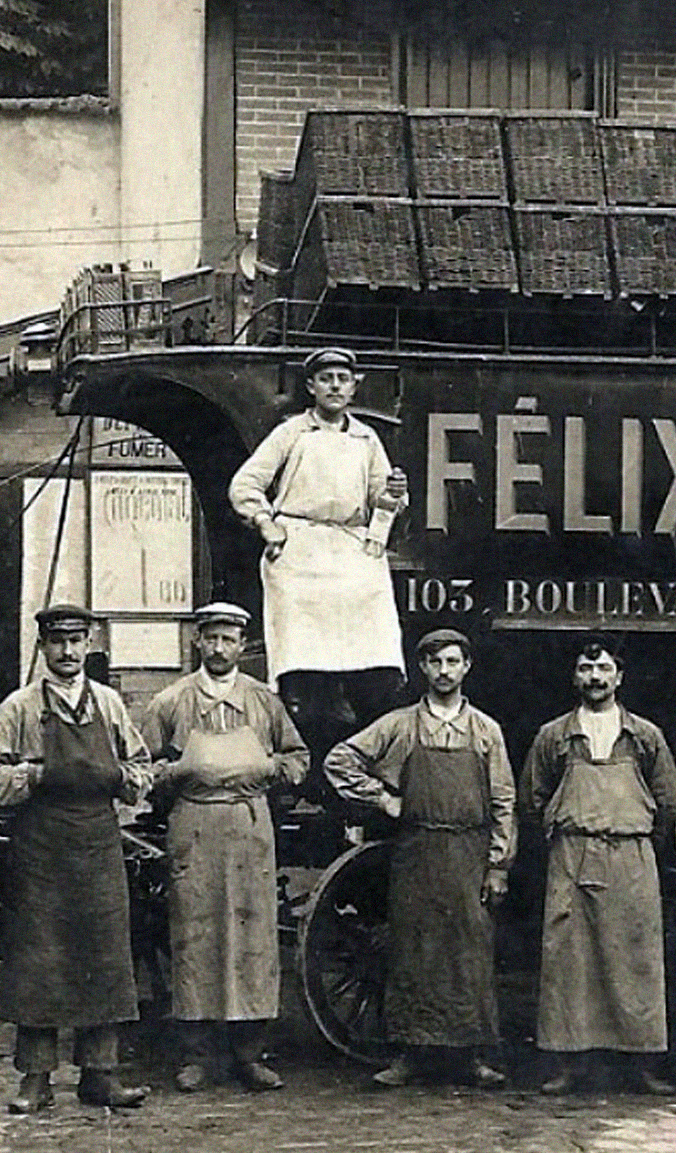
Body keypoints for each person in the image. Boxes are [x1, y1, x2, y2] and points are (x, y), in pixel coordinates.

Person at [0, 603, 152, 1114]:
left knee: (105, 957)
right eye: (58, 642)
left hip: (98, 844)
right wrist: (34, 775)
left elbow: (143, 767)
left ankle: (101, 1075)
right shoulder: (20, 708)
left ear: (89, 645)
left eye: (76, 641)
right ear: (43, 647)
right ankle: (36, 1080)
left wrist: (121, 779)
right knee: (39, 961)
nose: (68, 651)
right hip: (41, 850)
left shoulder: (110, 705)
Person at [324, 628, 516, 1089]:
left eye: (452, 662)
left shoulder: (486, 730)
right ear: (423, 668)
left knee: (469, 952)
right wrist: (383, 798)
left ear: (466, 667)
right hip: (417, 851)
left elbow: (504, 800)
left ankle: (471, 1056)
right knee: (413, 949)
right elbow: (339, 761)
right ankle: (409, 1054)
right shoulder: (401, 725)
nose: (444, 671)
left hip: (469, 854)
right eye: (435, 662)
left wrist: (498, 865)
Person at [140, 602, 310, 1094]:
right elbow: (141, 767)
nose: (218, 648)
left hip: (248, 827)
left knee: (252, 938)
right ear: (197, 641)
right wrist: (179, 771)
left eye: (228, 639)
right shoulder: (170, 702)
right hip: (194, 827)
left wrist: (271, 769)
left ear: (241, 645)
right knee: (194, 936)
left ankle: (250, 1054)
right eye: (211, 638)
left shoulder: (264, 702)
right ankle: (196, 1055)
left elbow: (298, 758)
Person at [227, 346, 409, 763]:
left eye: (343, 379)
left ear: (353, 387)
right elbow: (245, 484)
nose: (335, 387)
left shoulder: (366, 438)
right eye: (326, 379)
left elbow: (383, 499)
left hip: (352, 551)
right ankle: (307, 758)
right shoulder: (291, 433)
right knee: (304, 668)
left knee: (374, 658)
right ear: (311, 386)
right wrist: (265, 522)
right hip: (301, 553)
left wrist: (392, 495)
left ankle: (361, 761)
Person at [520, 635, 676, 1097]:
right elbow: (532, 799)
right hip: (573, 856)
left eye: (604, 669)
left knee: (636, 959)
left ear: (619, 676)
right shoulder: (554, 736)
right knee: (570, 962)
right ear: (575, 677)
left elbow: (669, 799)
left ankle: (640, 1063)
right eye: (586, 669)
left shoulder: (644, 736)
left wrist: (636, 836)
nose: (595, 678)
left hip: (631, 857)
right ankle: (570, 1063)